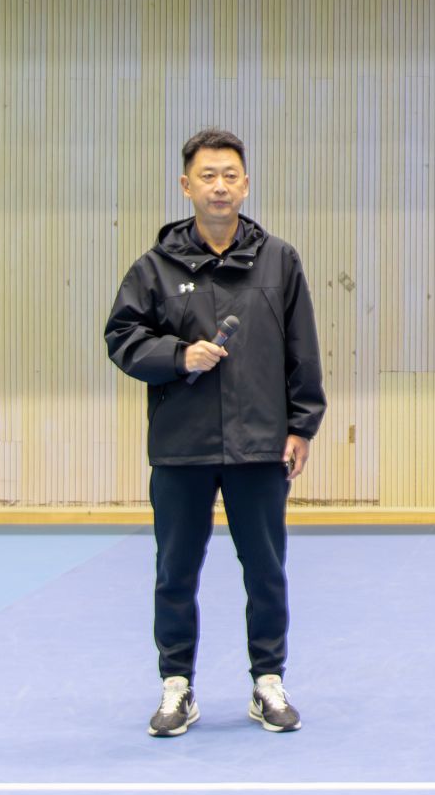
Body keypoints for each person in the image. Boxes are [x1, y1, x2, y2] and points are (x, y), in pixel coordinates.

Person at [104, 128, 325, 738]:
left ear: (245, 184)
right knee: (175, 572)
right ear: (186, 186)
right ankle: (176, 685)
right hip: (182, 446)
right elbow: (122, 337)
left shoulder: (280, 261)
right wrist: (179, 356)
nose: (219, 186)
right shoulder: (155, 267)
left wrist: (301, 425)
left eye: (230, 175)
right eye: (207, 176)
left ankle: (268, 681)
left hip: (260, 445)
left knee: (266, 570)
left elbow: (302, 349)